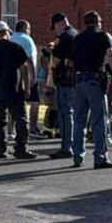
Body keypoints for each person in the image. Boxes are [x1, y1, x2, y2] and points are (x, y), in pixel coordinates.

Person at [70, 10, 112, 169]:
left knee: (79, 121)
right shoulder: (103, 36)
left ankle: (77, 156)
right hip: (95, 81)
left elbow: (72, 60)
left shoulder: (77, 38)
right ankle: (100, 157)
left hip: (79, 81)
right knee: (99, 120)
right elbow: (111, 55)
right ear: (98, 23)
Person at [0, 21, 36, 159]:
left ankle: (1, 149)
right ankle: (20, 148)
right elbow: (24, 66)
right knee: (20, 118)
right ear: (7, 32)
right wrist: (27, 86)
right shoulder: (14, 47)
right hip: (15, 89)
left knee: (0, 121)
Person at [48, 12, 78, 160]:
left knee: (65, 113)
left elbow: (56, 60)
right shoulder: (76, 34)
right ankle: (73, 144)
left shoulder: (64, 37)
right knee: (74, 113)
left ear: (59, 24)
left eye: (55, 27)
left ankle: (66, 147)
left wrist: (51, 52)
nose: (55, 31)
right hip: (76, 80)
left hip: (65, 80)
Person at [10, 20, 42, 138]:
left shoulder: (10, 38)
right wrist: (33, 77)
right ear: (24, 28)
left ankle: (11, 130)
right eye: (28, 28)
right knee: (35, 102)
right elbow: (29, 59)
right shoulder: (27, 40)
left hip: (11, 76)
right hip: (26, 76)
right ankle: (32, 128)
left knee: (13, 103)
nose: (30, 31)